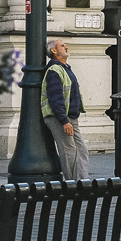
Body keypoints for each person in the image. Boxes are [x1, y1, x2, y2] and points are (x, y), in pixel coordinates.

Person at [41, 39, 89, 180]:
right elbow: (55, 98)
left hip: (71, 117)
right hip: (60, 118)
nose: (66, 47)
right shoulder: (54, 70)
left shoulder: (65, 68)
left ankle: (82, 183)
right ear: (54, 51)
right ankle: (72, 185)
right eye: (62, 45)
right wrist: (64, 121)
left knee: (81, 150)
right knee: (69, 151)